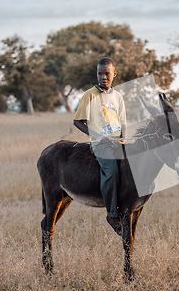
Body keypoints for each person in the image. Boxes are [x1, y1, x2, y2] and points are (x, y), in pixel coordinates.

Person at [73, 57, 127, 234]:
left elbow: (123, 123)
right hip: (101, 143)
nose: (103, 77)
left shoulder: (118, 97)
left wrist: (123, 140)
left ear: (114, 74)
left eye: (107, 73)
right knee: (111, 171)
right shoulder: (90, 95)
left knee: (132, 166)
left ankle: (127, 206)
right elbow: (78, 122)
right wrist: (99, 137)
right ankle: (111, 214)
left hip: (117, 141)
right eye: (100, 73)